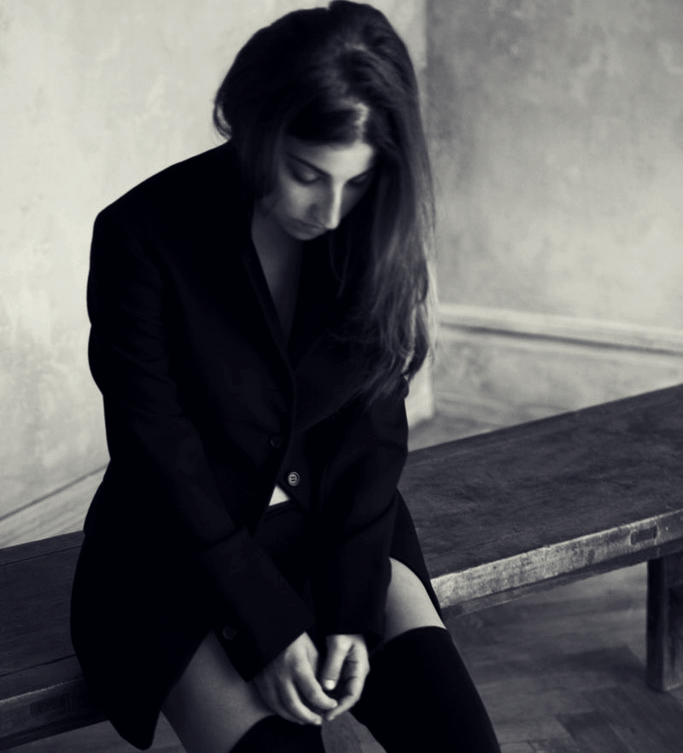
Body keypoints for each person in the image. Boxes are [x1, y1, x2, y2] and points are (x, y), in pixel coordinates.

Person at [70, 2, 501, 751]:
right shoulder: (139, 235)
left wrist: (351, 611)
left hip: (338, 527)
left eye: (355, 182)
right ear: (254, 130)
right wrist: (266, 628)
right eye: (306, 175)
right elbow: (157, 452)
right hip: (175, 548)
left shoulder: (374, 225)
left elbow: (372, 433)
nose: (331, 211)